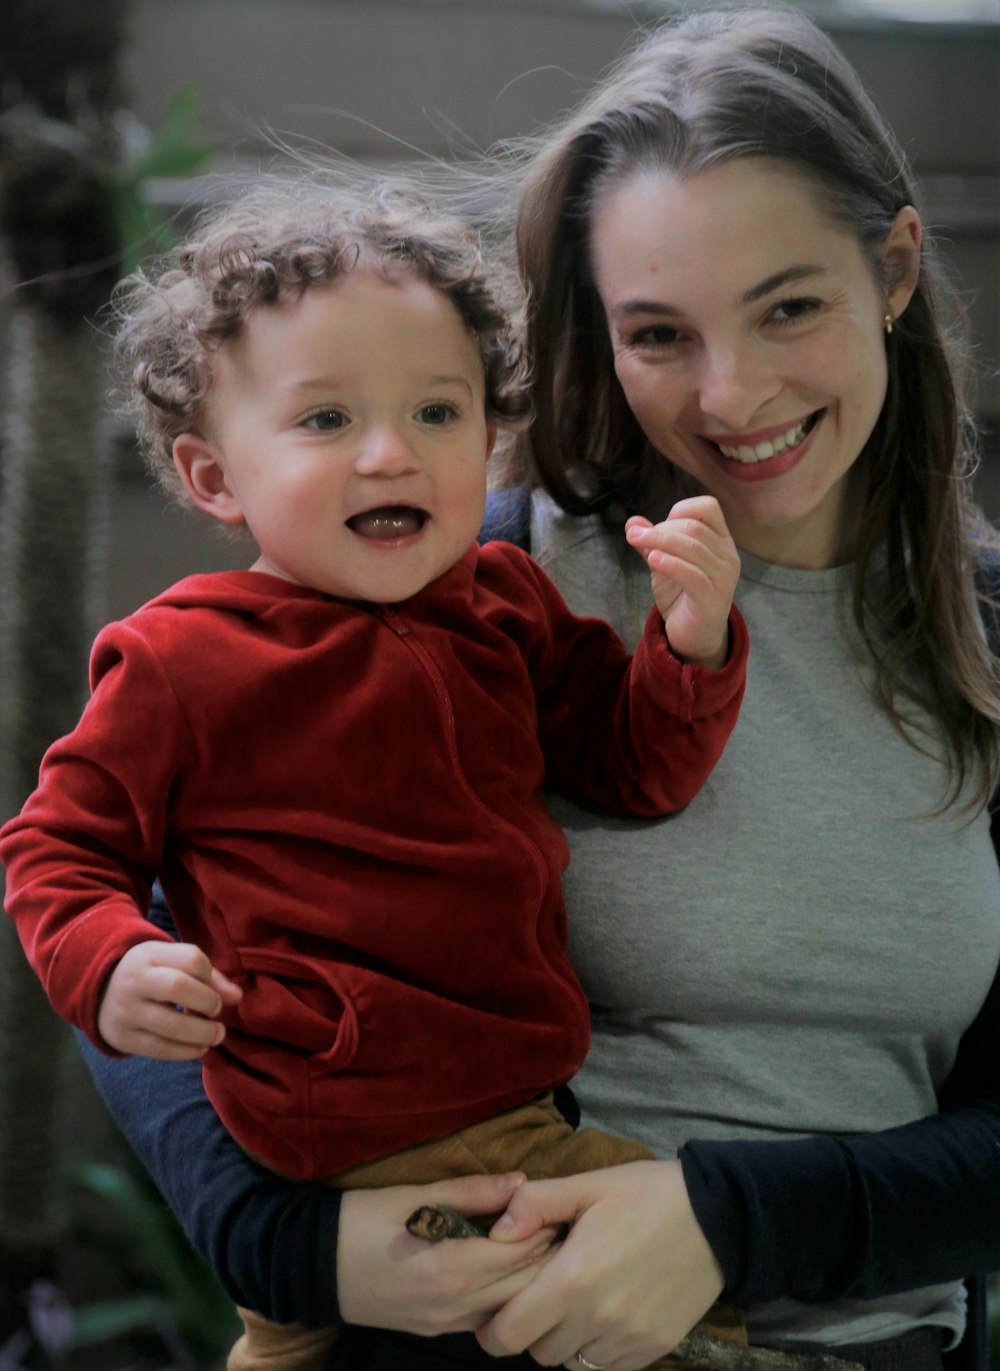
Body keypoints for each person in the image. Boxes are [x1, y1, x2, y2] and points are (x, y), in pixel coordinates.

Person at [73, 6, 1000, 1371]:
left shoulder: (986, 636)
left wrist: (718, 1224)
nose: (732, 393)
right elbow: (148, 923)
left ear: (897, 267)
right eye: (658, 332)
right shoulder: (472, 575)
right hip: (484, 1314)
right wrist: (297, 1247)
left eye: (790, 305)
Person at [0, 178, 749, 1371]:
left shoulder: (505, 609)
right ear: (211, 477)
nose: (392, 454)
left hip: (498, 1095)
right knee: (675, 1289)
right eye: (326, 422)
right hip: (351, 1101)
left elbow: (636, 767)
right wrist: (113, 958)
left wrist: (689, 642)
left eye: (438, 414)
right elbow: (57, 845)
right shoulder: (183, 655)